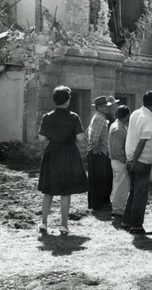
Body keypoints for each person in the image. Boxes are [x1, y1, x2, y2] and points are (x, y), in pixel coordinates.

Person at [38, 86, 88, 235]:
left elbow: (41, 139)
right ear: (67, 100)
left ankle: (44, 223)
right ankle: (63, 225)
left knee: (48, 190)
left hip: (52, 153)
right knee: (65, 191)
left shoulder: (47, 117)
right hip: (68, 153)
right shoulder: (73, 117)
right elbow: (80, 138)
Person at [122, 90, 152, 235]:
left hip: (131, 157)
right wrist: (135, 160)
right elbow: (142, 143)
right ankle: (136, 225)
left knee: (133, 192)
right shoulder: (149, 119)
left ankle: (127, 221)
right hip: (141, 160)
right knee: (141, 194)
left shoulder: (135, 113)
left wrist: (131, 159)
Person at [87, 95, 113, 211]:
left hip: (97, 152)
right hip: (98, 153)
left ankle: (95, 203)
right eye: (104, 106)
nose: (106, 108)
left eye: (106, 106)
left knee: (96, 179)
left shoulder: (98, 117)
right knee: (98, 179)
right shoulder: (100, 118)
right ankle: (97, 205)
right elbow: (93, 137)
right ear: (98, 107)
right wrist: (97, 149)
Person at [108, 105, 131, 218]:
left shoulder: (116, 125)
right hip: (119, 160)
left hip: (116, 160)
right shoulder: (119, 128)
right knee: (121, 186)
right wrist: (126, 161)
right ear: (127, 115)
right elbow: (117, 150)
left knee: (119, 185)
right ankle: (118, 209)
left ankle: (118, 208)